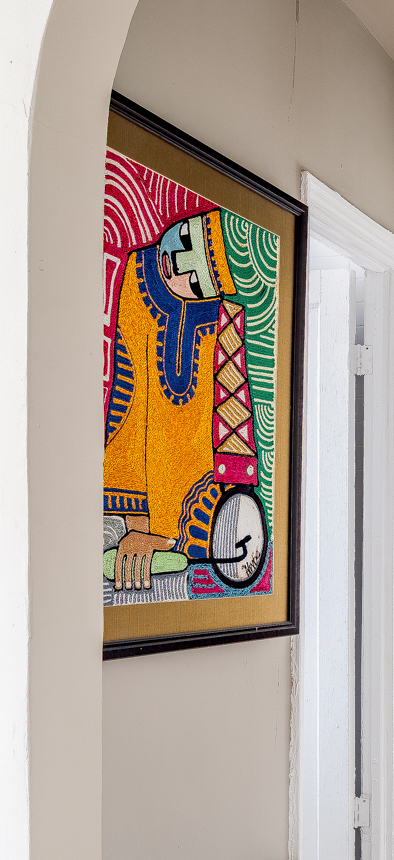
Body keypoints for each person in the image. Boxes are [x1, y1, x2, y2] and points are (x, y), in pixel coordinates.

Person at [103, 207, 262, 593]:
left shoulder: (223, 317)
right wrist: (137, 527)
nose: (182, 273)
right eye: (187, 247)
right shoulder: (136, 280)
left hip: (208, 520)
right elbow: (126, 407)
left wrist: (234, 509)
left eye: (202, 277)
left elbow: (234, 410)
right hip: (131, 519)